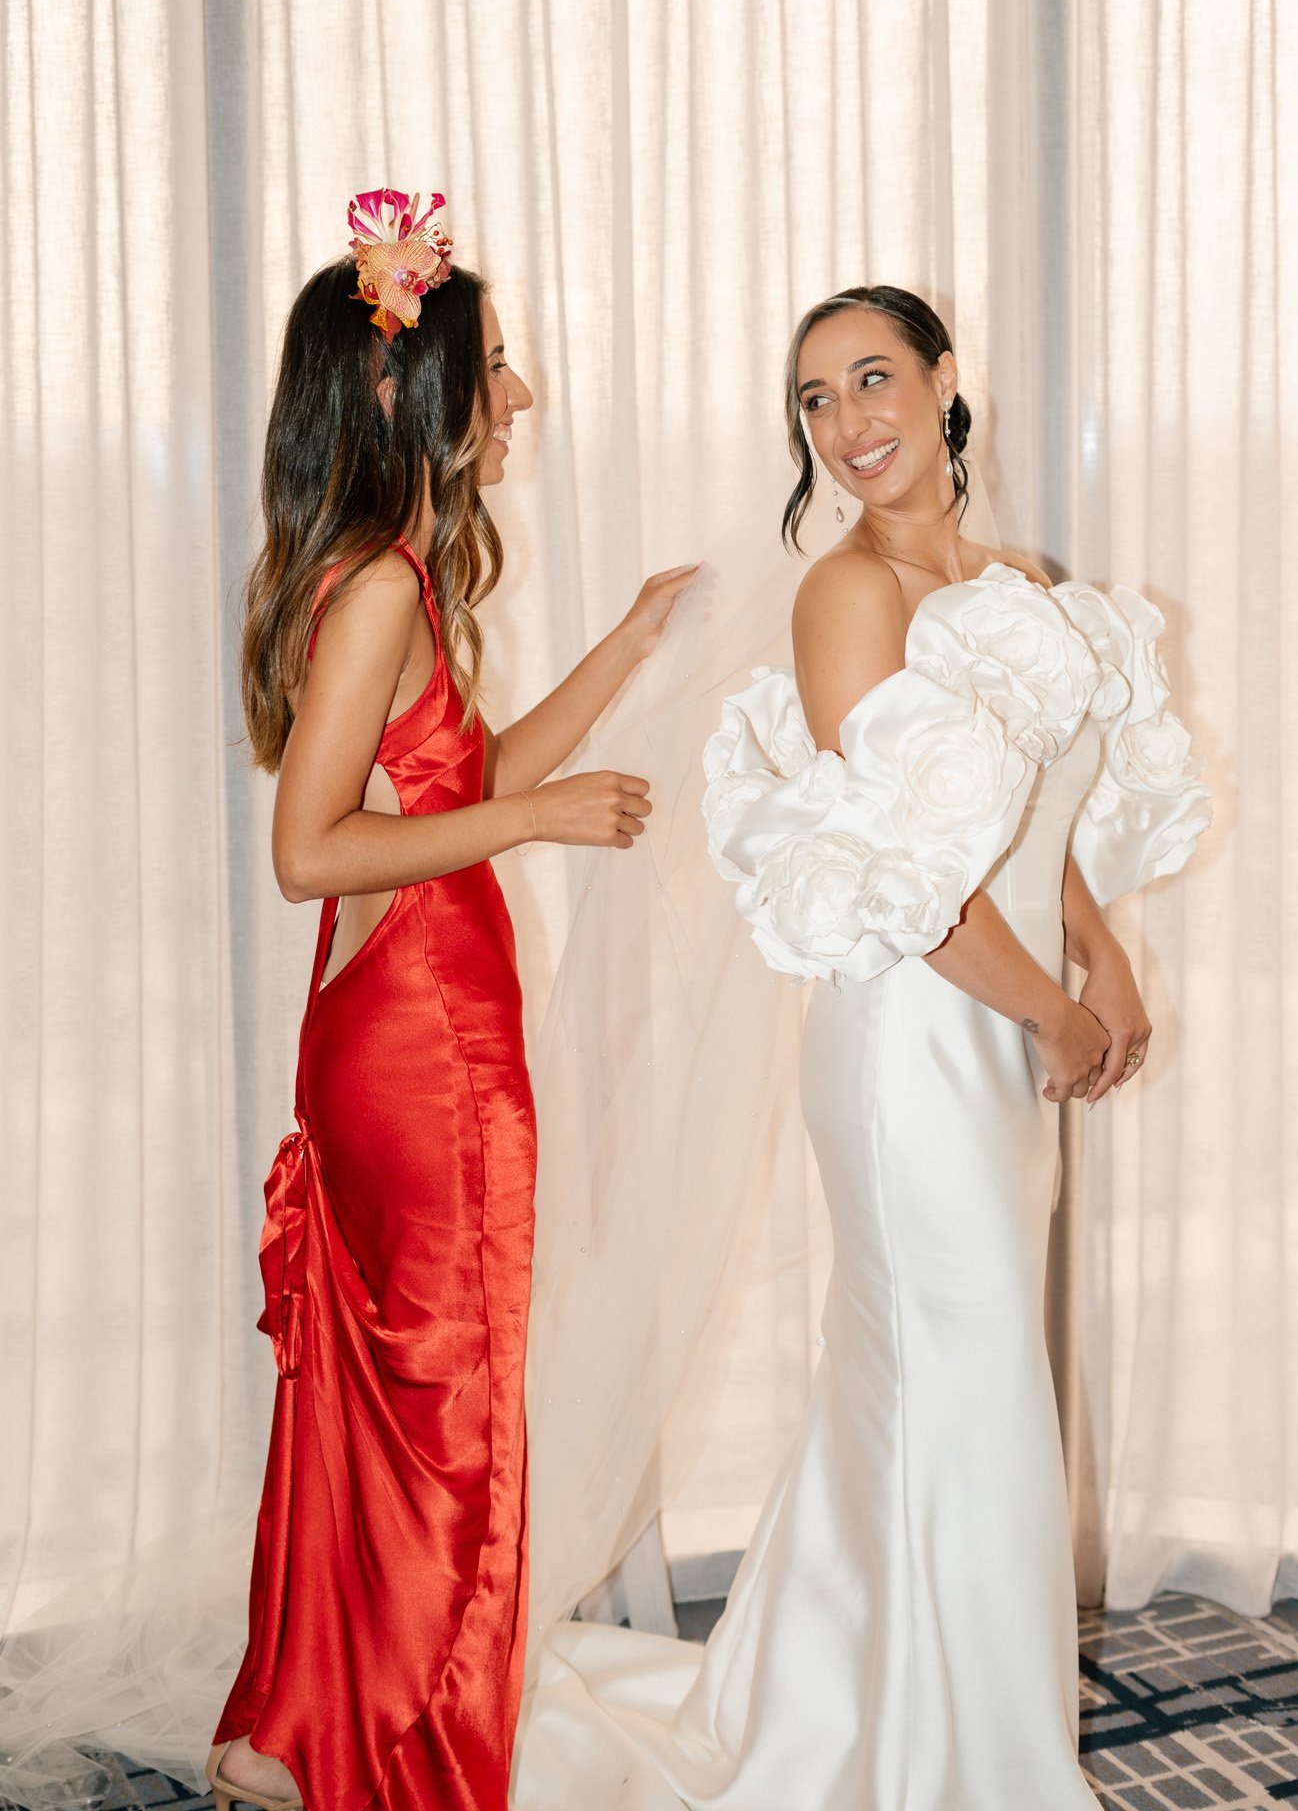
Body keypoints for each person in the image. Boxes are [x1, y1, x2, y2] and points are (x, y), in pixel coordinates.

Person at [512, 285, 1210, 1809]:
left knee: (931, 1389)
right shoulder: (845, 595)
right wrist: (1050, 1006)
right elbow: (897, 876)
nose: (845, 424)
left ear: (945, 382)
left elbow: (1020, 818)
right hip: (911, 1037)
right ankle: (961, 1763)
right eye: (815, 399)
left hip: (1002, 1011)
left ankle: (867, 1699)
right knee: (962, 1390)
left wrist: (1105, 957)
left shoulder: (1010, 580)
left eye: (872, 379)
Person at [207, 190, 697, 1811]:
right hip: (423, 1049)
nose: (525, 395)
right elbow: (312, 852)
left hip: (403, 1029)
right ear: (418, 395)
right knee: (457, 1414)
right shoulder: (374, 594)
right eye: (501, 366)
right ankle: (408, 1743)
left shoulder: (390, 574)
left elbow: (452, 779)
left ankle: (305, 1716)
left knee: (396, 1404)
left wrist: (629, 642)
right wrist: (538, 824)